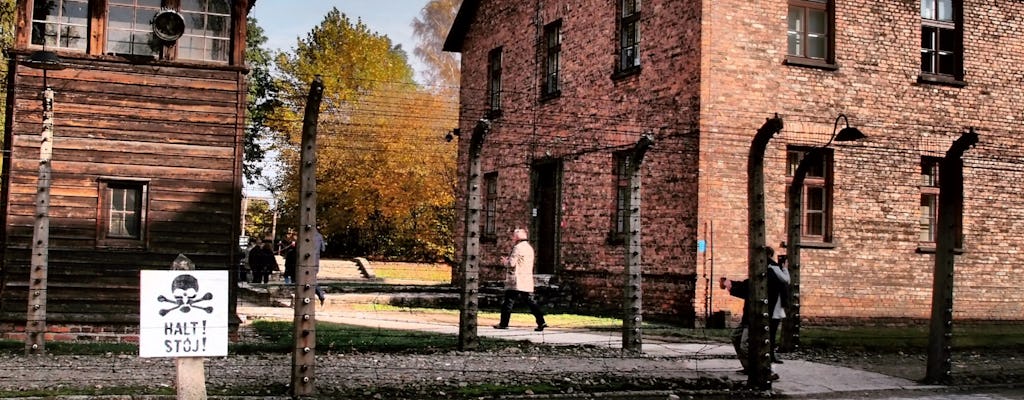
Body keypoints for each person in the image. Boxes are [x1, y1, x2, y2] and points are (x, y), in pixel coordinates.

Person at [493, 228, 547, 331]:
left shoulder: (517, 248)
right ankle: (541, 321)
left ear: (517, 237)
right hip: (526, 279)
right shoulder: (529, 248)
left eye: (514, 236)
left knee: (508, 302)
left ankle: (504, 323)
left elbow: (512, 264)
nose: (513, 238)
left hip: (516, 280)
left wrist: (505, 262)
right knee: (530, 301)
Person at [767, 248, 791, 364]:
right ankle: (771, 354)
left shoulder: (763, 266)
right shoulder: (773, 266)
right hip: (775, 303)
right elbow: (786, 279)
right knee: (772, 331)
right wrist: (785, 268)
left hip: (769, 301)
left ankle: (769, 354)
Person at [313, 226, 327, 306]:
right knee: (312, 280)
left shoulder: (306, 235)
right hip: (315, 261)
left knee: (310, 281)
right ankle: (320, 295)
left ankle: (320, 294)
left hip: (306, 262)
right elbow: (323, 249)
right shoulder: (319, 236)